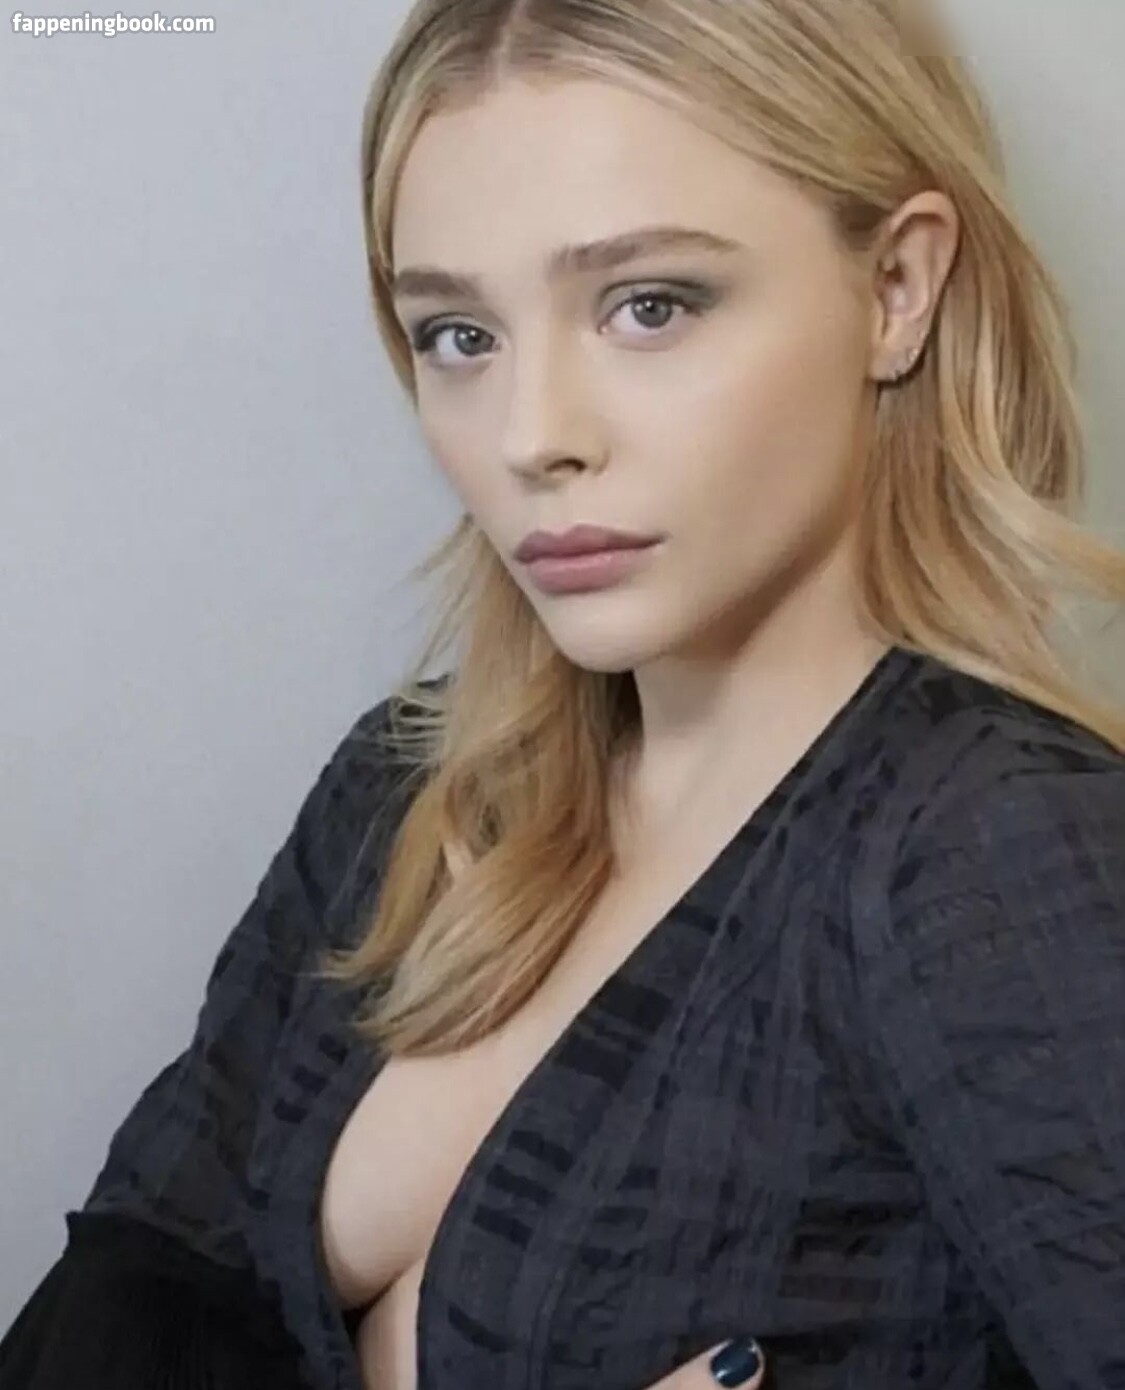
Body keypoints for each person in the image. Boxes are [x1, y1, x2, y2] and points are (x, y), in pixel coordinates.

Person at [3, 0, 1124, 1386]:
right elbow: (100, 1315)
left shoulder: (995, 856)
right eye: (458, 334)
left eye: (650, 305)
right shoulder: (411, 787)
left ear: (895, 287)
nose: (532, 436)